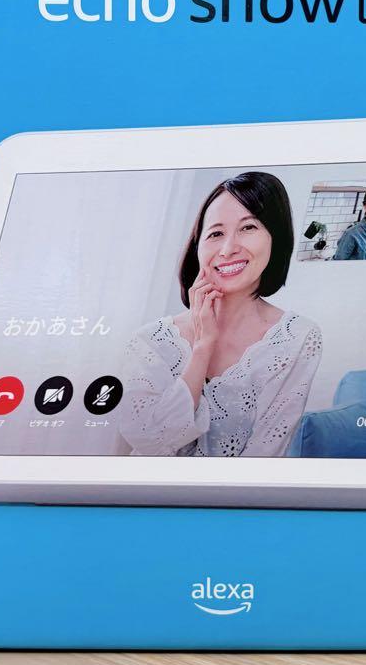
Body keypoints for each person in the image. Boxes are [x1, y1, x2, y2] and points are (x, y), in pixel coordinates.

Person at [119, 171, 322, 457]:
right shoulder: (149, 341)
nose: (228, 249)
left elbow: (266, 453)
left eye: (248, 227)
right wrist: (202, 348)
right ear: (198, 246)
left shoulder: (298, 338)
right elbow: (149, 443)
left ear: (275, 237)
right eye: (215, 233)